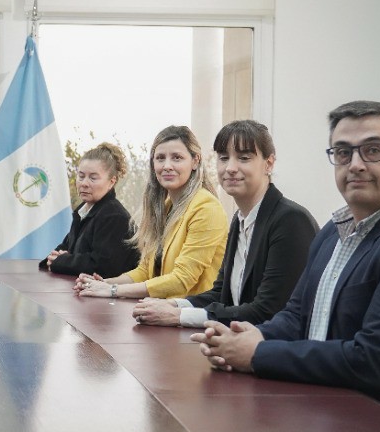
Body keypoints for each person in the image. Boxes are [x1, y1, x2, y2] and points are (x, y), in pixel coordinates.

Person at [192, 101, 380, 426]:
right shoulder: (334, 232)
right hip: (334, 410)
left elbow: (374, 360)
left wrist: (256, 354)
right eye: (344, 152)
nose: (356, 164)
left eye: (373, 150)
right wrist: (247, 336)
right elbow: (296, 316)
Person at [132, 120, 317, 328]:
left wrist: (179, 316)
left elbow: (267, 310)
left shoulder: (290, 220)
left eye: (244, 158)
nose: (230, 168)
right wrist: (173, 305)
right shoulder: (240, 220)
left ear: (269, 163)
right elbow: (221, 294)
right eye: (223, 158)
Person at [74, 125, 226, 300]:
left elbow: (182, 279)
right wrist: (104, 284)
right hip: (160, 309)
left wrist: (113, 290)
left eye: (177, 158)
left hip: (193, 312)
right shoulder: (166, 207)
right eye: (160, 158)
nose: (167, 166)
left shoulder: (206, 208)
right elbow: (145, 271)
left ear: (195, 161)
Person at [39, 141, 140, 277]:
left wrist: (60, 261)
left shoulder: (114, 216)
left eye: (93, 178)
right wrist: (53, 258)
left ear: (111, 182)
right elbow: (68, 246)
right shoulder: (83, 210)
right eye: (81, 176)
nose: (84, 183)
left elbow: (103, 266)